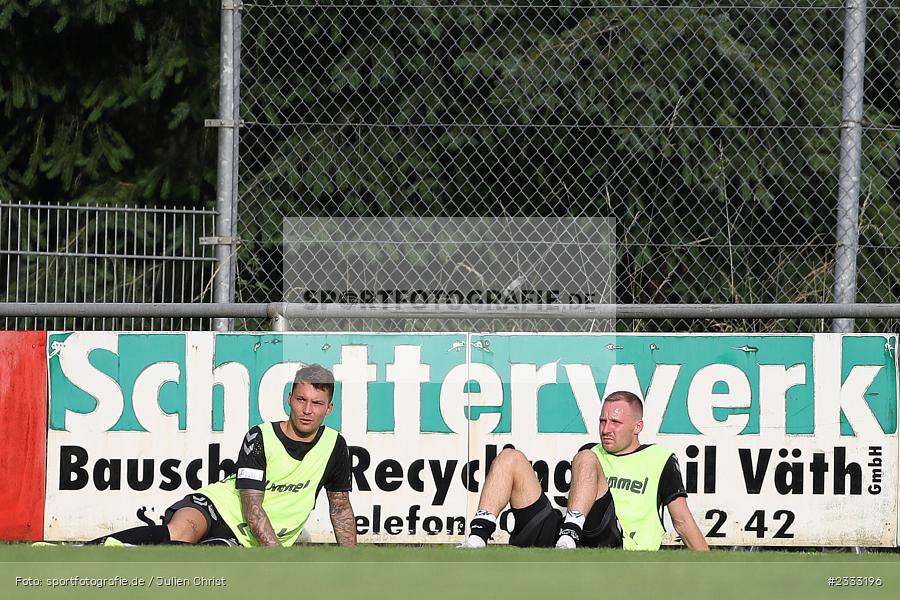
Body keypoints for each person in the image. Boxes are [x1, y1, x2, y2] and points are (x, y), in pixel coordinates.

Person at [89, 363, 356, 547]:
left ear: (329, 408)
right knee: (179, 534)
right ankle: (94, 549)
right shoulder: (260, 437)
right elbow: (252, 509)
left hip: (249, 543)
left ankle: (215, 549)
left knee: (211, 561)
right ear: (289, 399)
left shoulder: (334, 446)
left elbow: (341, 508)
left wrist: (355, 567)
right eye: (301, 399)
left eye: (317, 403)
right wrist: (278, 561)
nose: (307, 410)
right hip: (218, 507)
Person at [461, 390, 708, 551]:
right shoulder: (591, 451)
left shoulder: (659, 458)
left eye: (616, 422)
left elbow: (682, 520)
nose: (606, 428)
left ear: (637, 426)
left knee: (587, 457)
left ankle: (569, 538)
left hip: (615, 543)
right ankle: (477, 539)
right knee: (509, 457)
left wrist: (712, 567)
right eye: (603, 421)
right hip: (569, 535)